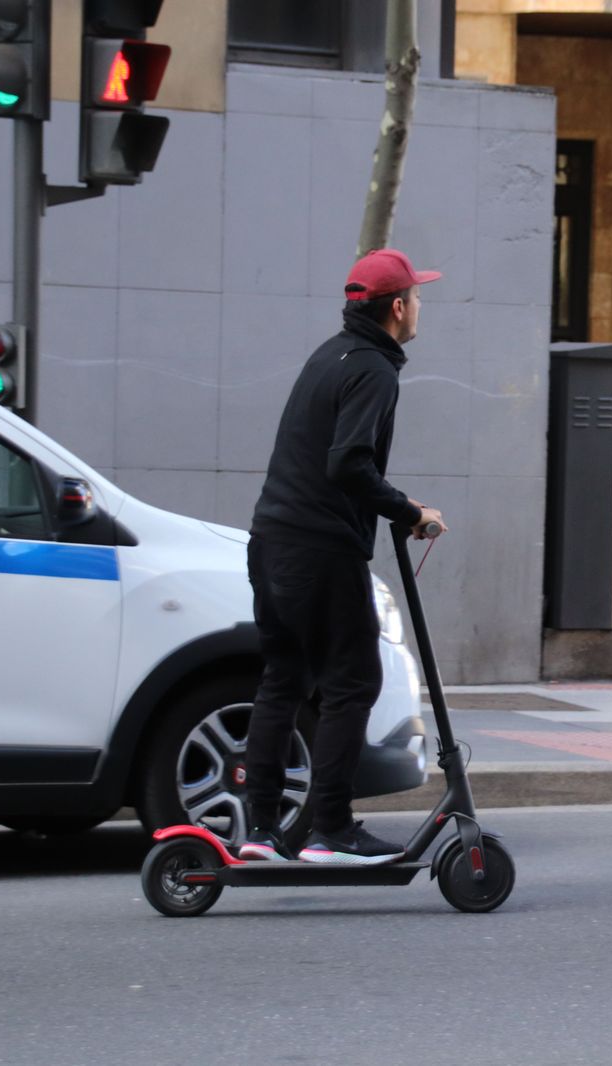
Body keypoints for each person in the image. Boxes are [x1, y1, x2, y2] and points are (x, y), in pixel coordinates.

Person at [240, 248, 445, 865]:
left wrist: (398, 505)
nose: (420, 306)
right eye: (417, 296)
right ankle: (330, 829)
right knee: (353, 682)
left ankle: (261, 831)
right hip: (321, 552)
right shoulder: (375, 370)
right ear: (398, 307)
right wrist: (408, 512)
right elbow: (349, 463)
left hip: (272, 542)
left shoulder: (329, 355)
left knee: (283, 682)